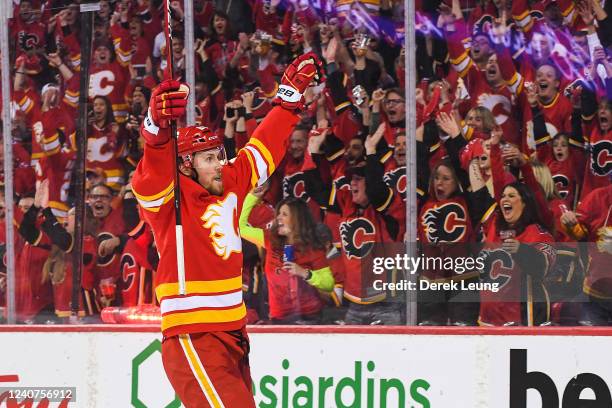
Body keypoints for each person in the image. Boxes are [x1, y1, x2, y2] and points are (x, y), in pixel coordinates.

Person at [132, 52, 324, 407]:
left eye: (220, 155)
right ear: (186, 164)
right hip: (194, 333)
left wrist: (287, 102)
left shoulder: (230, 178)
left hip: (233, 331)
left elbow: (262, 149)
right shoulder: (169, 196)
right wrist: (157, 128)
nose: (220, 164)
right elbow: (150, 172)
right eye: (209, 158)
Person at [240, 187, 335, 324]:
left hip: (310, 317)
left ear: (297, 219)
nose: (278, 217)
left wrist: (305, 273)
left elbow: (328, 284)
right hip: (279, 318)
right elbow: (241, 227)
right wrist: (251, 198)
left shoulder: (313, 247)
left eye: (284, 214)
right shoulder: (270, 239)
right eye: (278, 213)